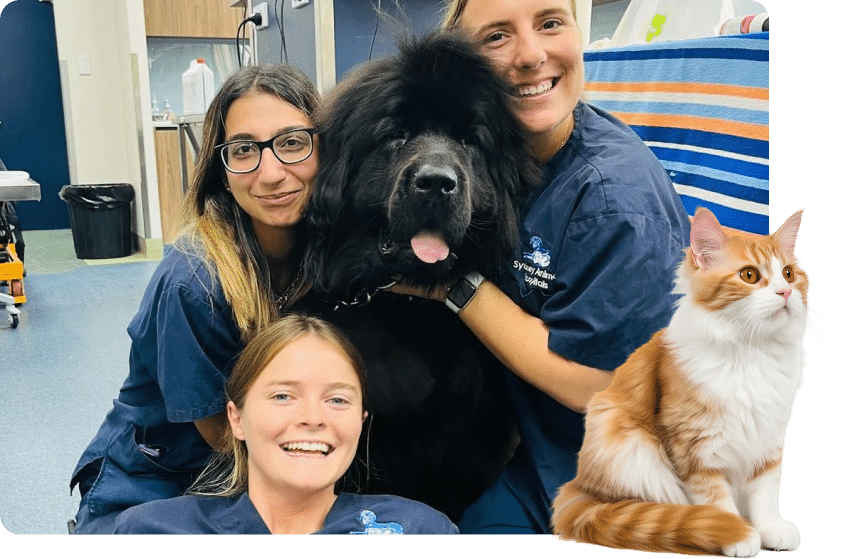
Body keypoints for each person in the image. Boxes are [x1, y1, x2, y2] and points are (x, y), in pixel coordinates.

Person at [390, 0, 692, 533]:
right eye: (496, 36)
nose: (531, 56)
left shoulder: (613, 200)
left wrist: (451, 287)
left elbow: (602, 385)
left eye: (550, 23)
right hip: (529, 446)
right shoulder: (511, 151)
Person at [69, 64, 320, 534]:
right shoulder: (193, 282)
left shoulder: (330, 261)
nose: (271, 173)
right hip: (157, 480)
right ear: (222, 172)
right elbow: (224, 436)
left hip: (262, 463)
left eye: (291, 143)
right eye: (243, 150)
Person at [112, 314, 459, 535]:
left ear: (360, 421)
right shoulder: (151, 531)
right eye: (283, 396)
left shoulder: (421, 530)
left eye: (338, 400)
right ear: (236, 419)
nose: (313, 417)